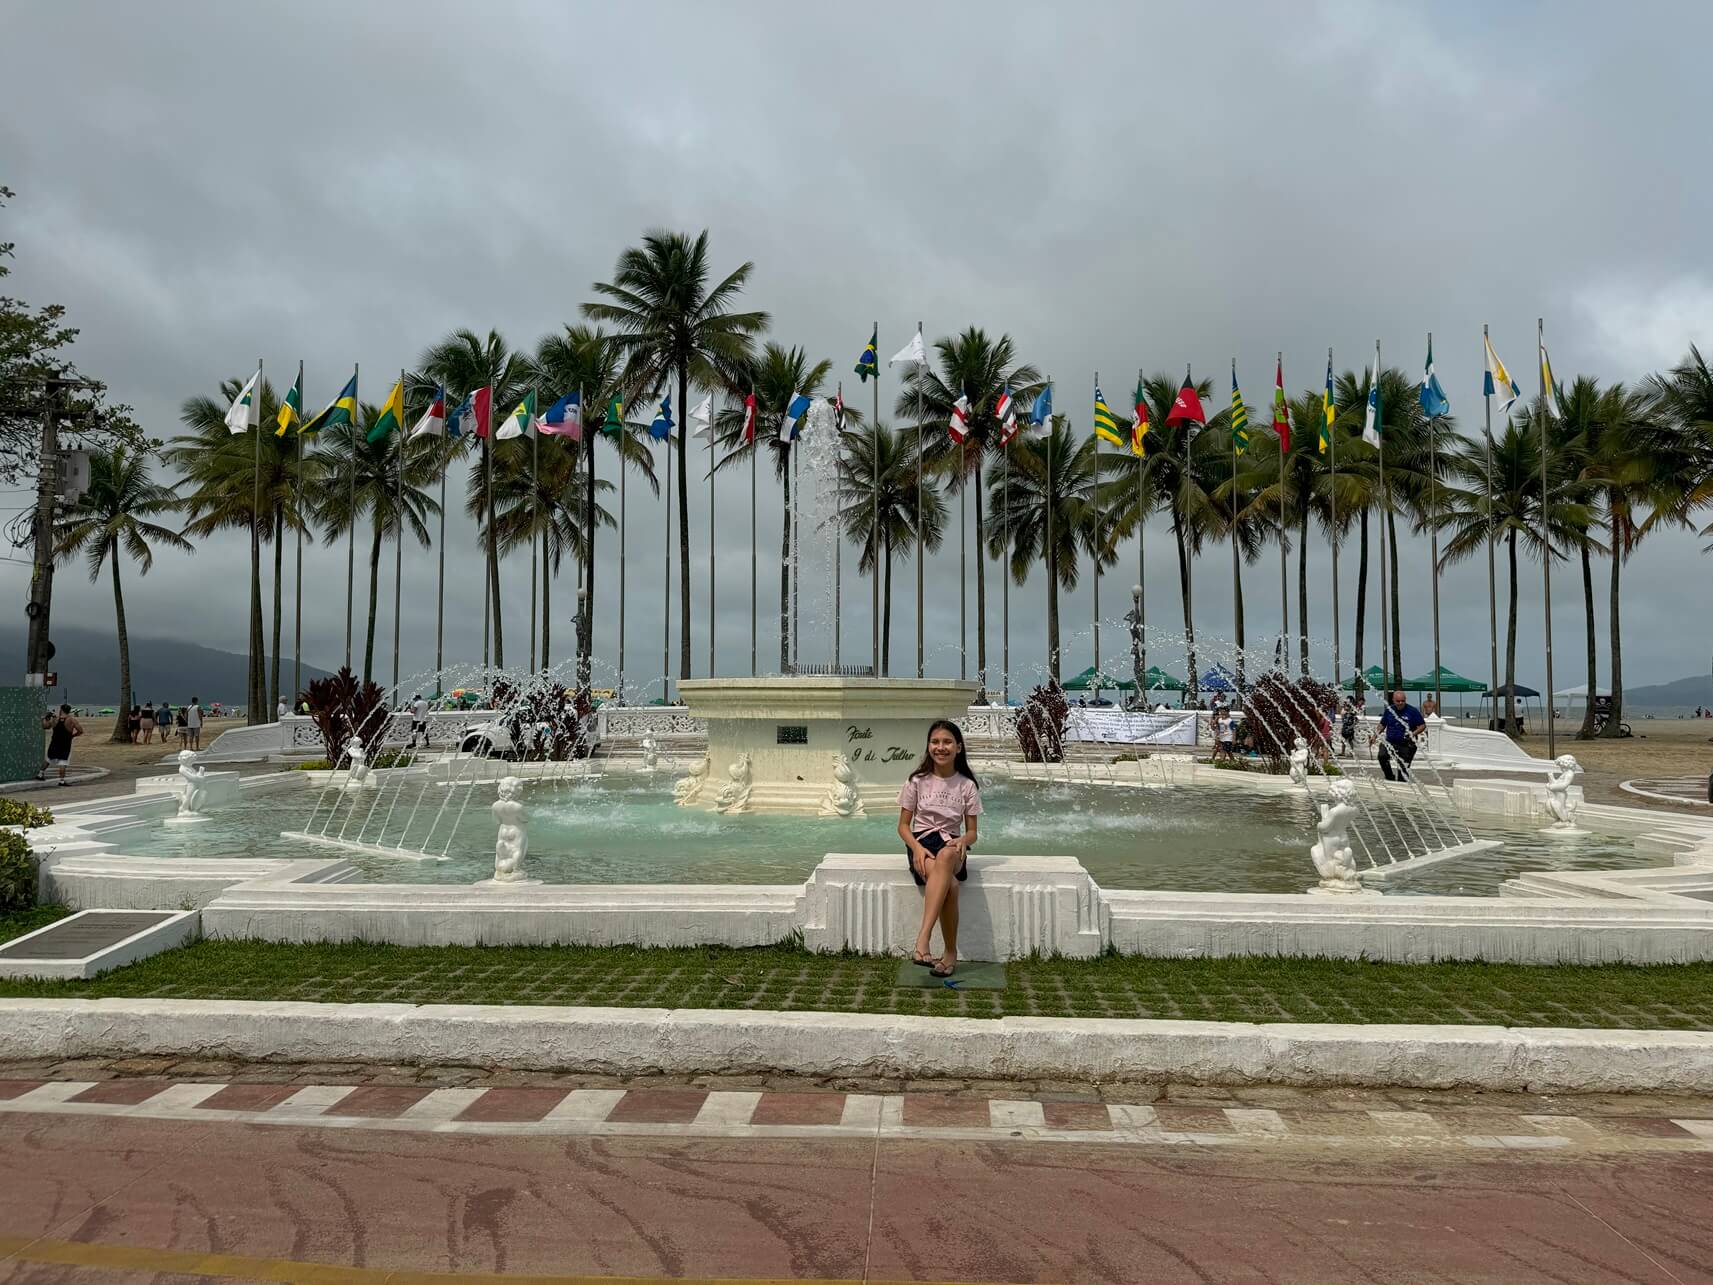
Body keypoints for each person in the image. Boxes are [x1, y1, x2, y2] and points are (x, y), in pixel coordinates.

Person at [897, 720, 982, 979]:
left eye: (947, 742)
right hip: (922, 844)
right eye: (935, 742)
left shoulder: (967, 785)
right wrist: (917, 849)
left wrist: (963, 842)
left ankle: (922, 941)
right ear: (928, 746)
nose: (940, 747)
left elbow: (972, 832)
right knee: (951, 887)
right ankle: (949, 954)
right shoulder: (916, 781)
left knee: (947, 855)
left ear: (958, 747)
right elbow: (902, 826)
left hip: (952, 845)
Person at [1378, 689, 1427, 781]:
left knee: (1402, 770)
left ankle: (1403, 786)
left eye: (1403, 701)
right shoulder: (1389, 710)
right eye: (1398, 701)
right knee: (1382, 756)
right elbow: (1382, 724)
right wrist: (1375, 735)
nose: (1400, 703)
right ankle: (1389, 777)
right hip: (1390, 742)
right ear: (1393, 700)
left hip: (1406, 745)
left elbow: (1422, 726)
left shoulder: (1412, 711)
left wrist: (1413, 733)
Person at [41, 703, 83, 784]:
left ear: (61, 710)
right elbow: (80, 731)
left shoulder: (55, 720)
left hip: (54, 742)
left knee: (49, 759)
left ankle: (40, 774)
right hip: (65, 743)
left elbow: (45, 727)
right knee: (63, 762)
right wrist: (73, 736)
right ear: (69, 711)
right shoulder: (72, 720)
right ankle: (61, 780)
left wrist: (44, 719)